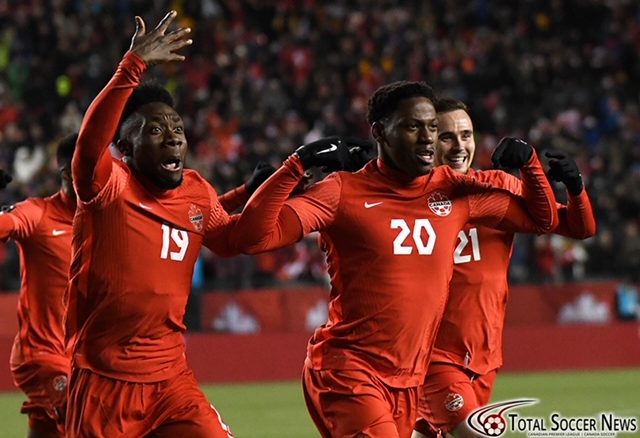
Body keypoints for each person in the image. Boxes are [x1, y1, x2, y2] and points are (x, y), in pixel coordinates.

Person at [231, 80, 559, 437]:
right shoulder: (342, 191)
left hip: (409, 381)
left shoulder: (452, 190)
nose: (427, 138)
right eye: (412, 126)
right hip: (349, 372)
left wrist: (531, 164)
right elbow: (252, 237)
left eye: (432, 127)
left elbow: (544, 219)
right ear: (379, 132)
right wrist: (297, 164)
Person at [64, 11, 241, 437]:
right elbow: (88, 150)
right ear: (125, 147)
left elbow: (235, 237)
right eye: (155, 130)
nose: (174, 136)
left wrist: (284, 179)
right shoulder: (109, 188)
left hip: (170, 378)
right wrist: (132, 66)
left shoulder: (196, 192)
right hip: (105, 380)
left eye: (177, 128)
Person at [412, 98, 596, 438]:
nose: (459, 146)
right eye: (447, 136)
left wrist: (574, 188)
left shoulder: (495, 187)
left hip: (484, 356)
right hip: (432, 357)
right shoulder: (408, 199)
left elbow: (577, 227)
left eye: (466, 135)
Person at [0, 134, 77, 438]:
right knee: (83, 413)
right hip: (41, 355)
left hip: (78, 359)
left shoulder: (103, 223)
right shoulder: (39, 214)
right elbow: (7, 222)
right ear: (68, 173)